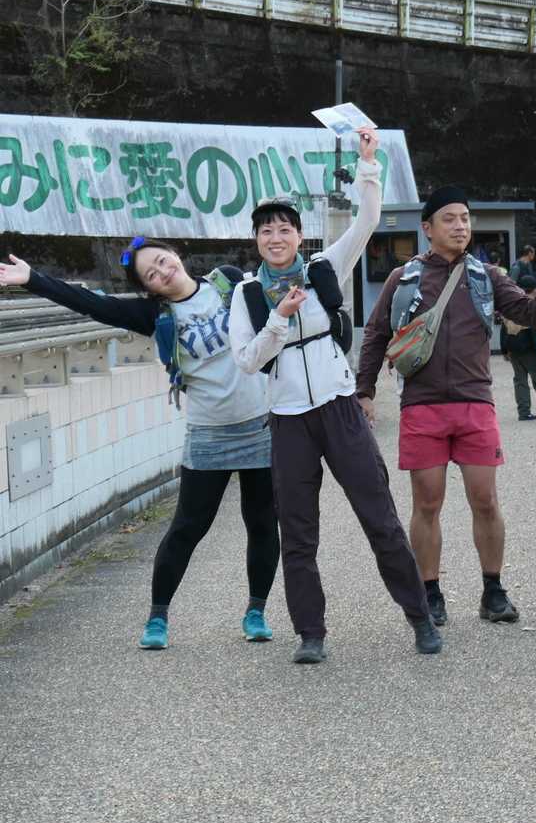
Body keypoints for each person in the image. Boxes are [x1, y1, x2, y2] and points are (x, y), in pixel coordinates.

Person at [0, 243, 279, 652]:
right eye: (152, 274)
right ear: (150, 288)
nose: (162, 271)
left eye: (163, 260)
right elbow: (92, 304)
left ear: (175, 255)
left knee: (262, 522)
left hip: (261, 425)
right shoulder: (154, 315)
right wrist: (33, 280)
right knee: (187, 528)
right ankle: (157, 617)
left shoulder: (228, 282)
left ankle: (256, 612)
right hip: (209, 434)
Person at [230, 127, 442, 664]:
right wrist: (279, 320)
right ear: (256, 240)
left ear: (299, 235)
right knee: (298, 534)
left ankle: (420, 617)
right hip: (287, 420)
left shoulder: (325, 266)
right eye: (266, 231)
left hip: (339, 409)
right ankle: (311, 633)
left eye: (284, 229)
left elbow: (368, 219)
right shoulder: (247, 293)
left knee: (380, 518)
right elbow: (247, 360)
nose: (275, 237)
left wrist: (368, 164)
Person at [355, 186, 536, 628]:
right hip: (422, 405)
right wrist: (365, 391)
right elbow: (376, 333)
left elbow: (528, 313)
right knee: (427, 503)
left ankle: (493, 591)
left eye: (465, 219)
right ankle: (429, 593)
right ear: (427, 228)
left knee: (486, 499)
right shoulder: (404, 278)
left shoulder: (486, 275)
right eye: (450, 219)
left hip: (475, 403)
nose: (460, 226)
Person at [502, 273, 536, 422]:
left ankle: (524, 411)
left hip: (513, 347)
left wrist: (504, 349)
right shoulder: (532, 305)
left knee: (520, 380)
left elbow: (503, 329)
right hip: (529, 348)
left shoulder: (512, 304)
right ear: (534, 288)